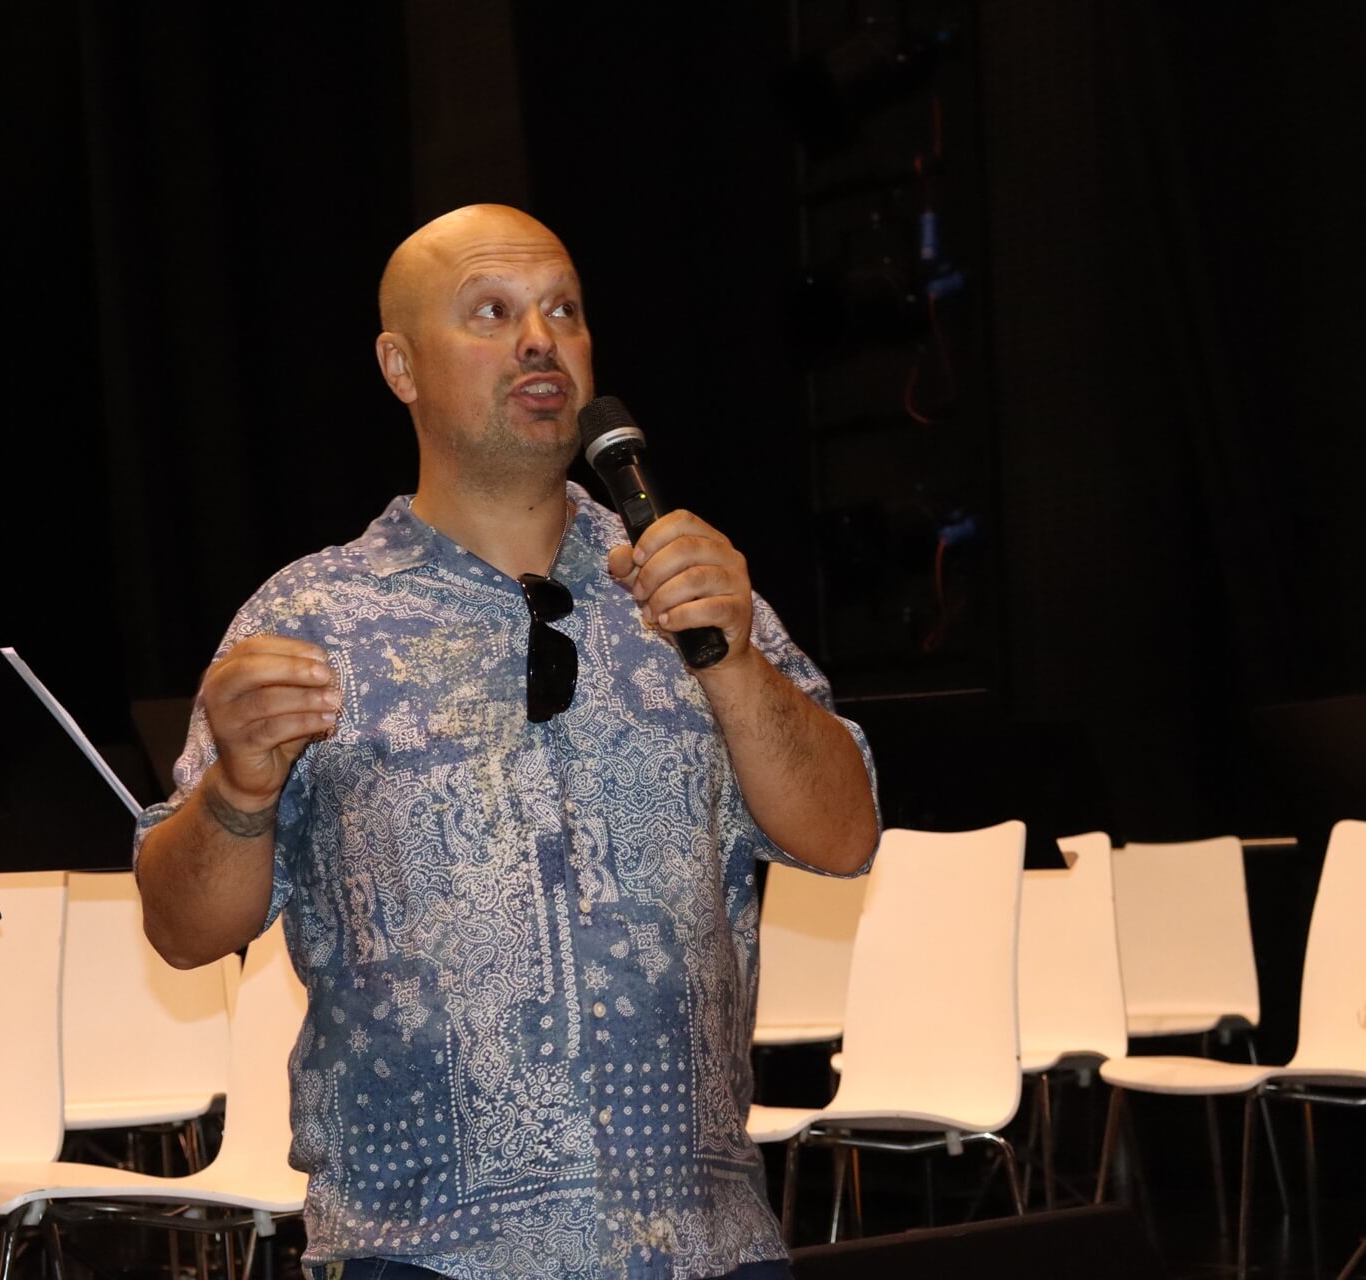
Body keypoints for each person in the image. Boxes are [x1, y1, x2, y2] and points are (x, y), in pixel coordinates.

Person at [134, 204, 880, 1280]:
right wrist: (237, 793)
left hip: (702, 1244)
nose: (540, 339)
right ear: (400, 366)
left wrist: (730, 660)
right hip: (426, 1251)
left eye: (563, 311)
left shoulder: (689, 583)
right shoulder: (310, 618)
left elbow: (845, 835)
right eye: (492, 312)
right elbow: (182, 929)